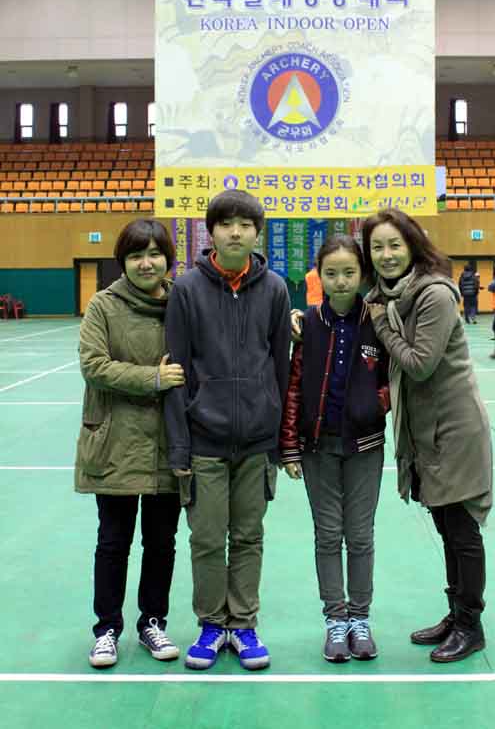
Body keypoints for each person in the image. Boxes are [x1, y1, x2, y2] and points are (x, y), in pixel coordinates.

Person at [164, 190, 291, 672]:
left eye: (245, 224)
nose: (235, 232)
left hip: (257, 441)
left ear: (258, 233)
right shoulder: (186, 289)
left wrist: (279, 438)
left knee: (249, 536)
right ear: (211, 231)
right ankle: (211, 624)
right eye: (225, 224)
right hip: (204, 441)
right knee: (206, 538)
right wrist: (181, 445)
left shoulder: (275, 289)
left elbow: (281, 367)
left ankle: (244, 624)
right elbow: (177, 370)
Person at [364, 209, 492, 664]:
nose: (386, 255)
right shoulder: (386, 297)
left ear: (412, 246)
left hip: (454, 427)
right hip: (425, 428)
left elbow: (419, 364)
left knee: (461, 530)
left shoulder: (433, 294)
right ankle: (456, 614)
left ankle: (470, 625)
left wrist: (381, 325)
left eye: (394, 245)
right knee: (445, 525)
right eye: (377, 247)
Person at [76, 219, 185, 669]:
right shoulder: (103, 305)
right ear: (122, 261)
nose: (146, 263)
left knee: (161, 542)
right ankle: (106, 629)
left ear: (167, 259)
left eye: (154, 253)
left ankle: (152, 622)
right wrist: (153, 377)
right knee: (113, 541)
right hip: (114, 441)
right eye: (136, 255)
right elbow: (94, 365)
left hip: (169, 442)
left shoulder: (183, 301)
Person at [280, 235, 390, 663]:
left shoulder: (378, 322)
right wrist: (290, 446)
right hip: (317, 449)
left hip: (366, 446)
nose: (340, 281)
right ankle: (335, 621)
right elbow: (294, 387)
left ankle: (360, 619)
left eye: (349, 272)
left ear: (361, 275)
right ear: (319, 276)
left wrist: (374, 405)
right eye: (331, 273)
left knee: (360, 536)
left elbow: (393, 379)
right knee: (327, 536)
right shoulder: (306, 324)